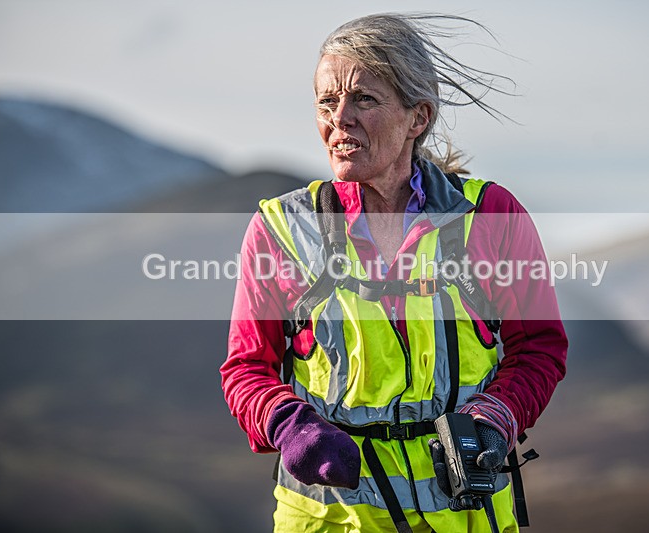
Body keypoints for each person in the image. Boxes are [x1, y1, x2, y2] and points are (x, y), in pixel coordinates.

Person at [221, 13, 567, 533]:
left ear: (418, 117)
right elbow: (246, 371)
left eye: (363, 99)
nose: (339, 119)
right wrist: (291, 427)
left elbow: (539, 347)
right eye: (325, 101)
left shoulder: (490, 217)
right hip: (331, 517)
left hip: (467, 516)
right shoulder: (280, 229)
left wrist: (498, 415)